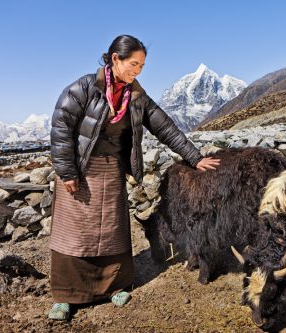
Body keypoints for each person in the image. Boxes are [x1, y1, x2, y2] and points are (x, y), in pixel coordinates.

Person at [48, 35, 220, 320]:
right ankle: (66, 296)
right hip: (80, 170)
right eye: (133, 64)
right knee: (74, 233)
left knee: (111, 231)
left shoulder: (136, 96)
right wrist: (67, 171)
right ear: (115, 59)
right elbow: (61, 128)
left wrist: (195, 157)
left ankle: (113, 286)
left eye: (141, 66)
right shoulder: (82, 88)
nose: (137, 71)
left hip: (111, 170)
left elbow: (165, 127)